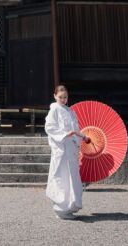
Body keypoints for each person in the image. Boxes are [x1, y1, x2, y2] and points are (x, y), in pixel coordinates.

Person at [44, 84, 89, 220]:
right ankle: (60, 208)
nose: (63, 100)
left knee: (73, 177)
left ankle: (70, 206)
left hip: (71, 148)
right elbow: (50, 127)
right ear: (55, 96)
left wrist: (82, 136)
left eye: (65, 97)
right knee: (61, 177)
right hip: (62, 149)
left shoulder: (71, 111)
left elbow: (75, 128)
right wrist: (64, 134)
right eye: (60, 97)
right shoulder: (54, 110)